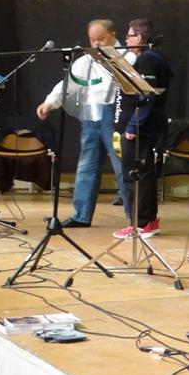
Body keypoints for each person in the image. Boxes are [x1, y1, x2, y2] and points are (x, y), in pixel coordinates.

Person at [36, 19, 130, 228]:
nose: (96, 43)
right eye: (92, 40)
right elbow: (68, 83)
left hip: (114, 114)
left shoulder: (127, 56)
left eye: (101, 39)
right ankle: (81, 215)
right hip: (90, 114)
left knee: (121, 165)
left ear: (113, 35)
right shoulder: (86, 61)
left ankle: (135, 218)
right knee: (87, 165)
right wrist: (50, 102)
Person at [113, 19, 173, 239]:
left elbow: (148, 96)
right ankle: (148, 221)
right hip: (148, 126)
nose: (126, 39)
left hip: (143, 128)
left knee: (136, 175)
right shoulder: (152, 57)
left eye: (129, 35)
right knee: (143, 174)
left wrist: (133, 126)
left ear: (139, 37)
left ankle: (141, 223)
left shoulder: (147, 59)